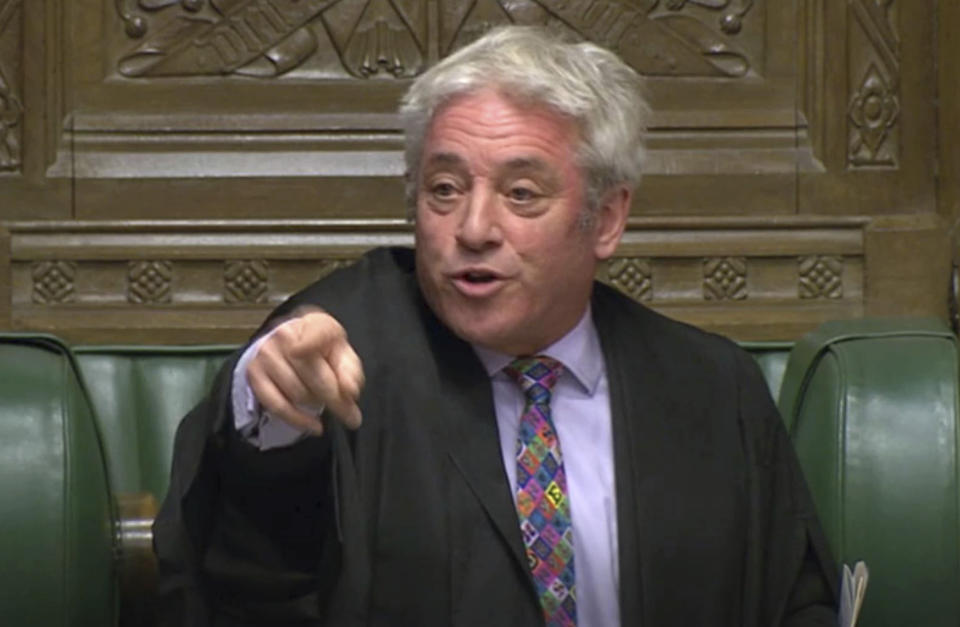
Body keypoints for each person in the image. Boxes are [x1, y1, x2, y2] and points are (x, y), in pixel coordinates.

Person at [154, 25, 839, 627]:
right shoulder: (339, 351)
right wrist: (269, 412)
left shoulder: (712, 389)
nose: (474, 229)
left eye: (521, 194)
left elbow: (794, 601)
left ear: (605, 219)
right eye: (444, 189)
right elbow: (245, 570)